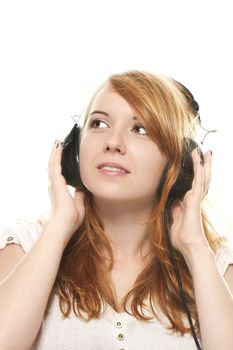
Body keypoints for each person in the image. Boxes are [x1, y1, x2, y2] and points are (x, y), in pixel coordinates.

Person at [0, 70, 233, 350]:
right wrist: (60, 226)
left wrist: (195, 247)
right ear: (74, 148)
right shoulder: (27, 245)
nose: (112, 142)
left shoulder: (217, 267)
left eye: (141, 129)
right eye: (99, 123)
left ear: (180, 163)